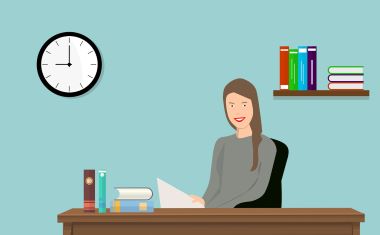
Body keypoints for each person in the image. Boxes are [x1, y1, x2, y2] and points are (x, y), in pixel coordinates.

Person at [191, 78, 277, 208]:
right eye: (231, 105)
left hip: (239, 212)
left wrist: (224, 208)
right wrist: (203, 201)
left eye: (243, 104)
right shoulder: (222, 144)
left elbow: (258, 191)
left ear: (254, 106)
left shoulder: (266, 145)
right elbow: (214, 185)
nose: (237, 111)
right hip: (213, 210)